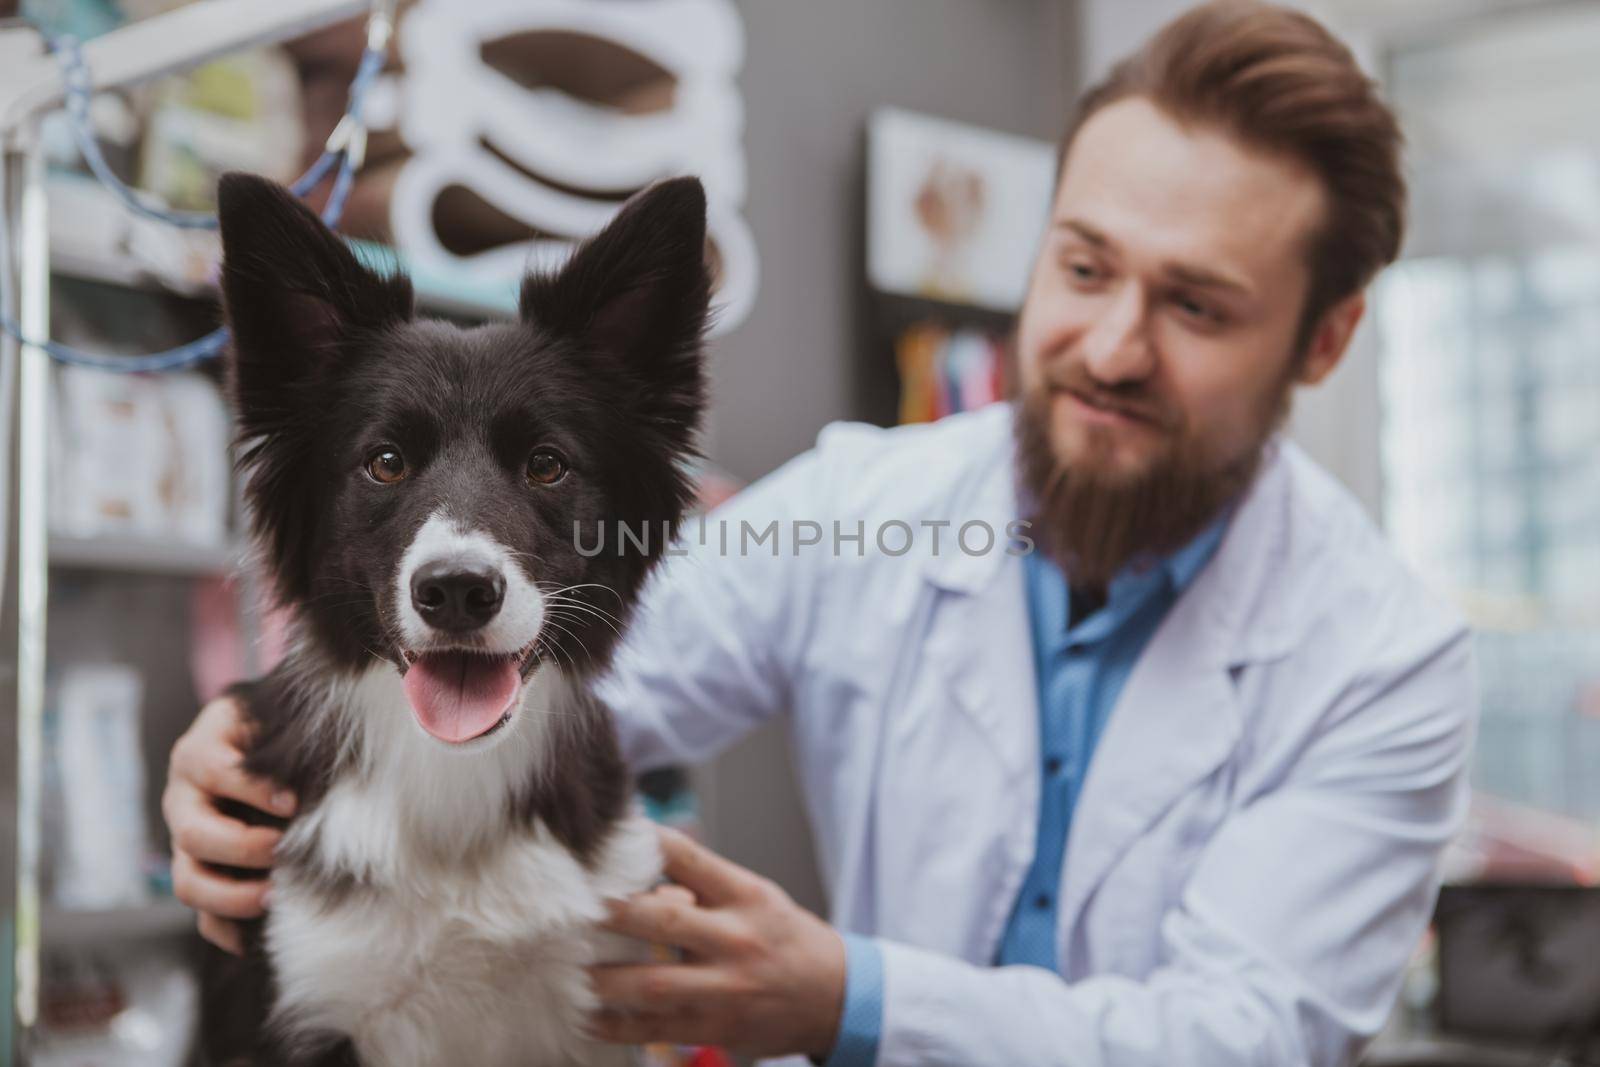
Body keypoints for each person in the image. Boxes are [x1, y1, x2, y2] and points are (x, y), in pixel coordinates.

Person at [161, 3, 1477, 1064]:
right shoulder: (865, 509)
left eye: (1196, 307)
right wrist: (244, 750)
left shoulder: (1384, 658)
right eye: (1083, 267)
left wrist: (853, 1000)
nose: (1112, 347)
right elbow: (576, 655)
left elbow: (1242, 1036)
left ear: (1325, 338)